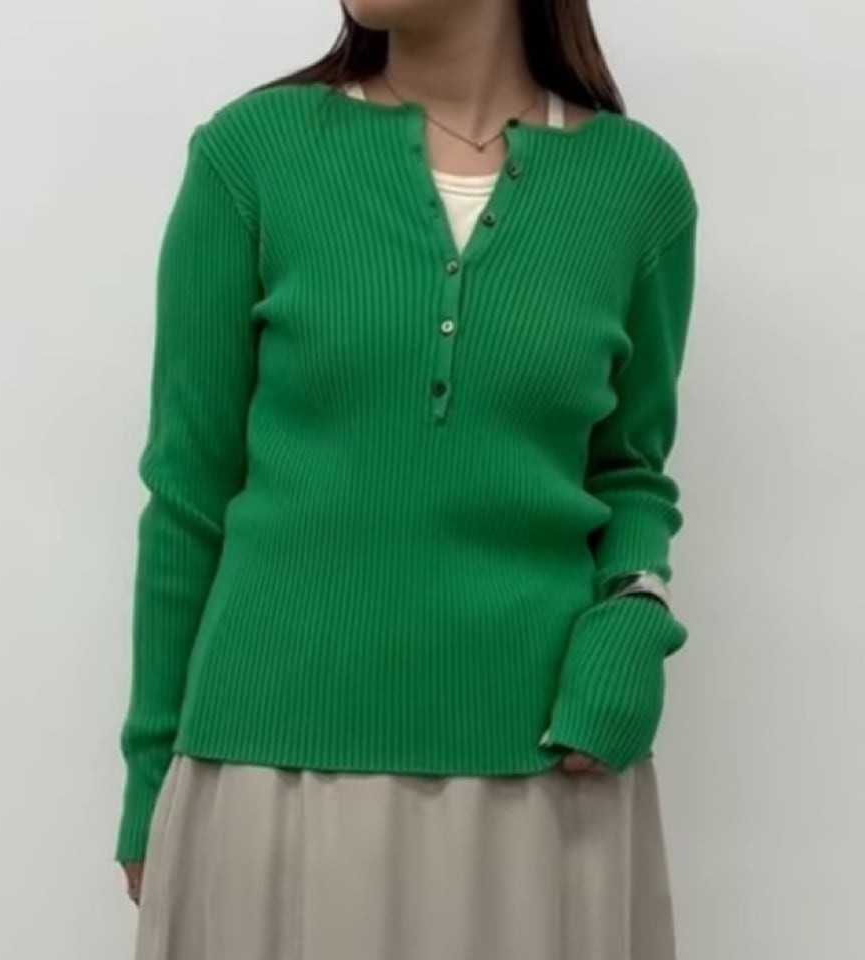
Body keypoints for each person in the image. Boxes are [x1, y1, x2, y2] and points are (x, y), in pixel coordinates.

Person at [116, 0, 697, 957]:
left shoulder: (638, 187)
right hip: (271, 775)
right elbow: (187, 492)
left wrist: (635, 612)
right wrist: (150, 783)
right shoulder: (252, 155)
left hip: (541, 777)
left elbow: (631, 467)